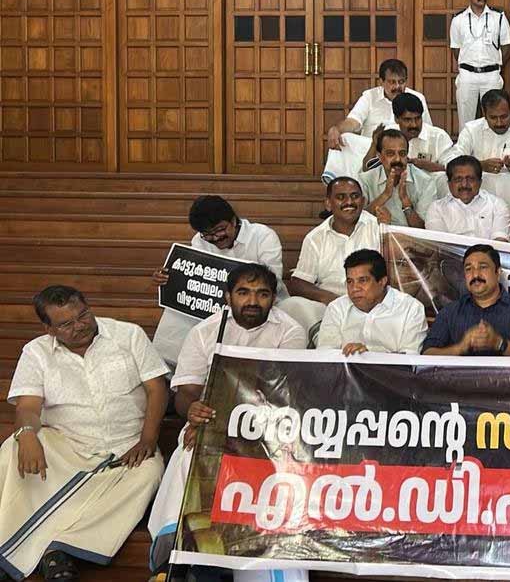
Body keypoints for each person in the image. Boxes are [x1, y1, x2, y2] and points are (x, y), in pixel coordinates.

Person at [147, 264, 307, 582]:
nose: (253, 301)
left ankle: (216, 562)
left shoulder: (290, 331)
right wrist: (193, 412)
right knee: (191, 456)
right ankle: (183, 560)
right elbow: (186, 393)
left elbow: (280, 392)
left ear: (273, 298)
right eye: (243, 293)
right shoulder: (204, 331)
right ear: (227, 296)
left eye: (262, 294)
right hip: (210, 422)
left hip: (267, 426)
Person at [2, 286, 167, 582]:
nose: (79, 326)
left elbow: (157, 389)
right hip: (68, 446)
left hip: (128, 448)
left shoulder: (128, 335)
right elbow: (27, 406)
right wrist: (26, 433)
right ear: (49, 329)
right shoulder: (36, 352)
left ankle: (61, 547)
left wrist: (148, 439)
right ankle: (13, 546)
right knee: (13, 448)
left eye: (83, 315)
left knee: (150, 473)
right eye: (66, 324)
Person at [149, 195, 285, 369]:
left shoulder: (262, 236)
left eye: (220, 230)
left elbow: (273, 281)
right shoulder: (199, 240)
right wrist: (170, 278)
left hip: (259, 304)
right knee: (176, 313)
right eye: (208, 234)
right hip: (215, 305)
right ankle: (168, 369)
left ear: (233, 220)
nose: (215, 238)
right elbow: (197, 278)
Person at [277, 177, 381, 334]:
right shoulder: (315, 237)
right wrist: (332, 300)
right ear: (328, 204)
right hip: (329, 306)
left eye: (355, 196)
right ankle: (322, 337)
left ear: (363, 200)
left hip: (372, 304)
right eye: (341, 197)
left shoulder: (379, 227)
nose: (349, 202)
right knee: (289, 306)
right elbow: (299, 283)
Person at [322, 59, 432, 183]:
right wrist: (336, 129)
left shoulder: (417, 98)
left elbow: (427, 129)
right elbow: (354, 121)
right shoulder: (369, 96)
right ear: (381, 81)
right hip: (372, 147)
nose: (397, 87)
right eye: (392, 82)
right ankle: (336, 183)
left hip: (404, 147)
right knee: (344, 138)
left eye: (401, 82)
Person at [422, 244, 510, 356]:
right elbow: (427, 354)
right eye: (468, 269)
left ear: (498, 272)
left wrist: (499, 343)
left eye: (483, 267)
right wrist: (460, 348)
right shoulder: (450, 312)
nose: (475, 274)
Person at [316, 249, 427, 355]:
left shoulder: (411, 309)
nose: (354, 288)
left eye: (362, 280)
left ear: (382, 281)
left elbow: (410, 359)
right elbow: (325, 356)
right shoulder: (337, 308)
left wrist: (369, 355)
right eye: (350, 282)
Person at [445, 88, 510, 215]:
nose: (499, 123)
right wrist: (479, 165)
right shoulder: (471, 129)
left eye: (504, 117)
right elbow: (453, 160)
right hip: (477, 183)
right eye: (493, 118)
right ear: (484, 114)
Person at [450, 0, 510, 131]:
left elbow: (506, 46)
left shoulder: (498, 17)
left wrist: (493, 64)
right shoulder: (458, 19)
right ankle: (466, 147)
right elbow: (456, 49)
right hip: (467, 75)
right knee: (466, 121)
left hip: (491, 75)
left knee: (494, 117)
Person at [360, 128, 438, 228]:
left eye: (402, 154)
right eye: (390, 154)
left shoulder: (425, 182)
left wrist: (406, 202)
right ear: (379, 156)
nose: (397, 159)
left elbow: (425, 229)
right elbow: (357, 221)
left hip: (410, 237)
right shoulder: (366, 180)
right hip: (375, 235)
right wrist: (385, 195)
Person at [426, 155, 510, 241]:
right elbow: (439, 245)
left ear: (480, 182)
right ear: (449, 184)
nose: (464, 184)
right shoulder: (436, 209)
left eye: (470, 179)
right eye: (458, 179)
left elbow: (500, 243)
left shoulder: (497, 205)